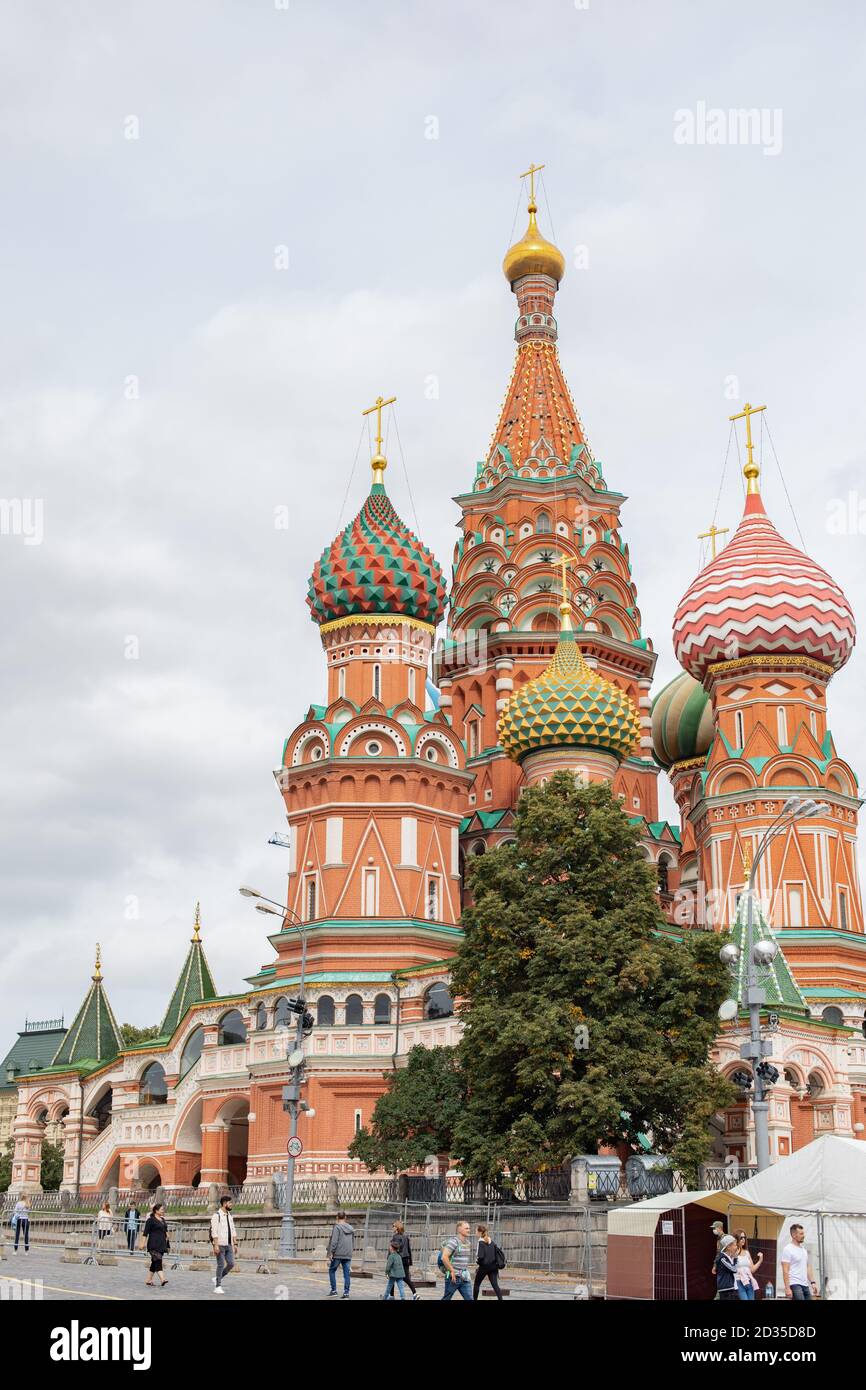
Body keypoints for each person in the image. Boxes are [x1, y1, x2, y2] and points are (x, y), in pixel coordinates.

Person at [210, 1194, 238, 1295]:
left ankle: (218, 1277)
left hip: (229, 1244)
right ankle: (218, 1286)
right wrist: (215, 1245)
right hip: (220, 1244)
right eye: (230, 1203)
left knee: (231, 1264)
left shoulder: (230, 1215)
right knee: (221, 1264)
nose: (232, 1205)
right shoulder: (216, 1216)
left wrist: (235, 1244)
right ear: (225, 1203)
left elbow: (233, 1229)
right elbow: (214, 1232)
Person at [782, 1223, 818, 1301]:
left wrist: (813, 1282)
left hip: (805, 1285)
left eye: (803, 1233)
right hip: (794, 1284)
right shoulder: (787, 1249)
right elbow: (785, 1270)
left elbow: (808, 1267)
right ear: (794, 1235)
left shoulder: (803, 1250)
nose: (803, 1235)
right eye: (801, 1234)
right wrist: (787, 1288)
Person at [440, 1220, 473, 1301]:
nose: (468, 1230)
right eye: (466, 1228)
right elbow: (444, 1257)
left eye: (469, 1228)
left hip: (464, 1277)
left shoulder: (468, 1243)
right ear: (459, 1230)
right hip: (453, 1277)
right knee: (447, 1298)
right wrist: (451, 1270)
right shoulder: (453, 1242)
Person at [327, 1210, 354, 1299]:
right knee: (347, 1274)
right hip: (347, 1253)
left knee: (332, 1270)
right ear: (345, 1218)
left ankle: (334, 1290)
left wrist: (331, 1252)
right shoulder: (351, 1228)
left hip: (338, 1253)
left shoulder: (337, 1227)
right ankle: (346, 1293)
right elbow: (353, 1241)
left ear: (337, 1218)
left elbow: (334, 1242)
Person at [388, 1220, 418, 1300]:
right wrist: (410, 1261)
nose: (392, 1227)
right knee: (406, 1278)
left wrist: (389, 1259)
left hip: (398, 1260)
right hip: (406, 1259)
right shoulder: (406, 1237)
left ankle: (391, 1295)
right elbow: (409, 1250)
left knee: (392, 1275)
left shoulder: (395, 1237)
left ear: (397, 1228)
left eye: (393, 1226)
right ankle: (415, 1293)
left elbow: (394, 1249)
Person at [473, 1224, 504, 1301]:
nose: (475, 1232)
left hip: (484, 1267)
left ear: (480, 1232)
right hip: (493, 1267)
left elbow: (480, 1256)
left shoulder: (481, 1242)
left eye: (476, 1231)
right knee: (495, 1285)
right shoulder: (491, 1241)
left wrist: (478, 1262)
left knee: (476, 1284)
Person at [143, 1202, 169, 1288]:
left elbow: (166, 1231)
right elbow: (145, 1233)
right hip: (153, 1244)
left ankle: (148, 1280)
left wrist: (168, 1240)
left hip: (162, 1244)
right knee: (158, 1260)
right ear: (156, 1210)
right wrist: (142, 1243)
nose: (163, 1211)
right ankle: (162, 1279)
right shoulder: (150, 1220)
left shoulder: (163, 1220)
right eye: (161, 1209)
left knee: (154, 1262)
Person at [733, 1230, 763, 1301]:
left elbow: (752, 1269)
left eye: (744, 1237)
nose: (743, 1239)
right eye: (741, 1237)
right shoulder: (733, 1252)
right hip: (739, 1281)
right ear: (736, 1239)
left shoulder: (747, 1252)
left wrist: (760, 1261)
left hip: (749, 1281)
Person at [714, 1233, 739, 1301]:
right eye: (735, 1245)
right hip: (726, 1291)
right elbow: (734, 1269)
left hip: (732, 1289)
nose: (736, 1247)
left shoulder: (728, 1257)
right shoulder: (722, 1258)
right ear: (728, 1247)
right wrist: (736, 1258)